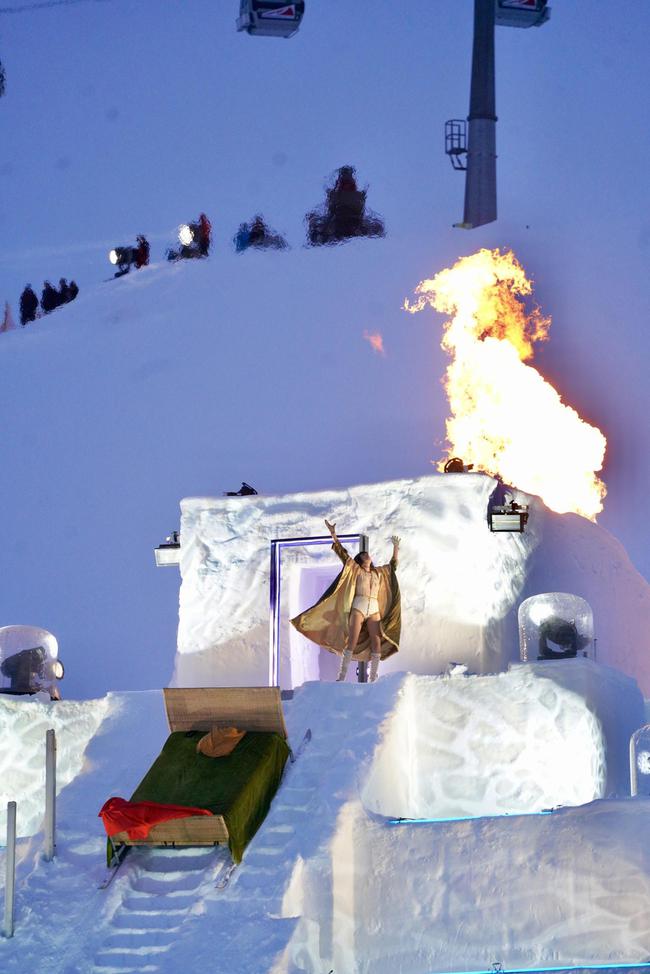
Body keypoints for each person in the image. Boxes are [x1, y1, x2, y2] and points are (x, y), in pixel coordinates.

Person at [291, 520, 401, 683]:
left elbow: (392, 567)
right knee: (352, 641)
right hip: (359, 606)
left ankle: (373, 679)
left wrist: (395, 548)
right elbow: (343, 554)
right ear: (360, 560)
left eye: (367, 554)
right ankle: (341, 677)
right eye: (363, 555)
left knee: (376, 642)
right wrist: (333, 535)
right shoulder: (356, 570)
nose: (366, 555)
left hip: (374, 609)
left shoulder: (378, 573)